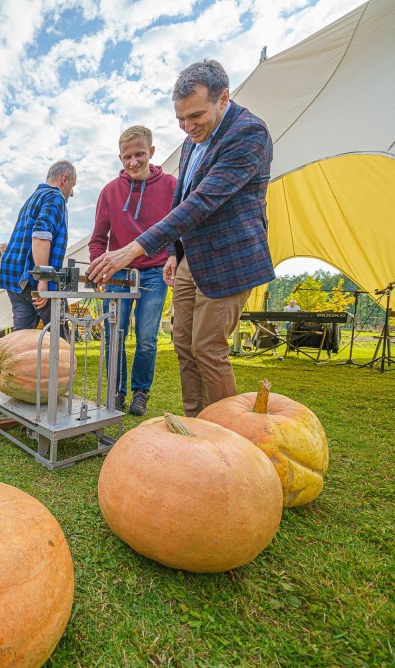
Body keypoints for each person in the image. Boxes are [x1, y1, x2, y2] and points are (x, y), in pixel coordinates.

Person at [87, 59, 275, 417]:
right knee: (184, 344)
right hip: (189, 260)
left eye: (196, 116)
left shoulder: (248, 134)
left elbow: (203, 203)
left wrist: (133, 250)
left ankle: (227, 437)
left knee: (207, 348)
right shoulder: (192, 141)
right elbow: (184, 199)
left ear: (223, 97)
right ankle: (196, 424)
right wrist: (175, 251)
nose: (188, 127)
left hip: (229, 261)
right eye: (181, 120)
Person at [0, 160, 76, 403]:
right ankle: (64, 385)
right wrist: (43, 284)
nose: (72, 193)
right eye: (72, 186)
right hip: (34, 280)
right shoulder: (55, 197)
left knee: (18, 339)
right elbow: (41, 235)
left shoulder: (31, 199)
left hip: (14, 279)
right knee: (59, 335)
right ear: (64, 179)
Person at [90, 125, 177, 415]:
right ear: (120, 158)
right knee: (114, 335)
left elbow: (180, 231)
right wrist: (98, 272)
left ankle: (141, 393)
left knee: (147, 337)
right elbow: (98, 239)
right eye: (126, 157)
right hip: (117, 275)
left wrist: (174, 256)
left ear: (151, 152)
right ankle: (116, 392)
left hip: (154, 272)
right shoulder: (109, 192)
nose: (133, 162)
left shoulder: (171, 186)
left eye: (139, 154)